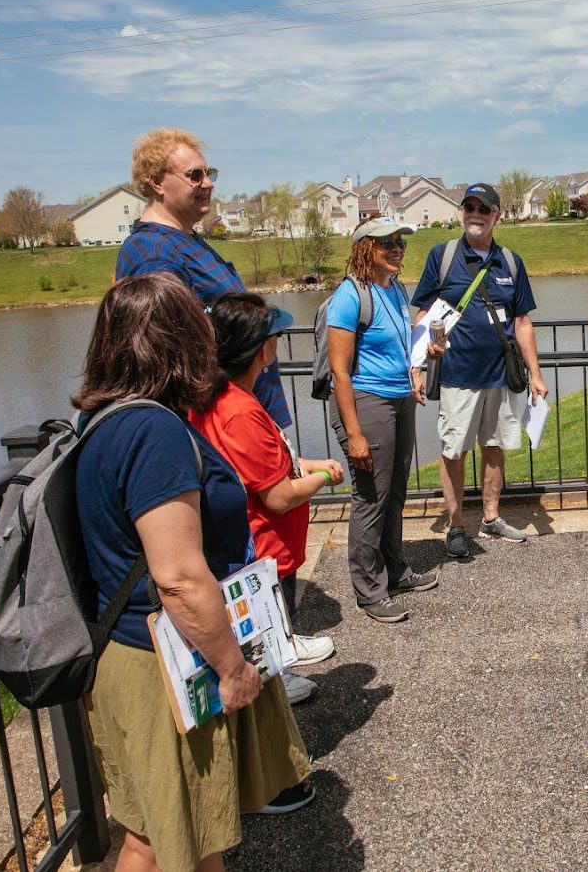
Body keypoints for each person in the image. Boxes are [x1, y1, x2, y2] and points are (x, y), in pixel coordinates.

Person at [75, 273, 312, 872]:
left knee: (179, 832)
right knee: (165, 836)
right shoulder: (155, 434)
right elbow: (179, 576)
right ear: (179, 339)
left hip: (133, 654)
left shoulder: (108, 419)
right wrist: (233, 669)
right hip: (161, 662)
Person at [190, 293, 345, 703]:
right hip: (265, 548)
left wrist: (305, 464)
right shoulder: (239, 411)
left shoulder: (219, 398)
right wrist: (323, 477)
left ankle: (284, 658)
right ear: (263, 350)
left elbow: (267, 466)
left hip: (257, 544)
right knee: (270, 616)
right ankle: (279, 680)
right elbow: (277, 497)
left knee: (273, 616)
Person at [115, 127, 291, 428]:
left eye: (209, 173)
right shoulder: (153, 254)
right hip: (222, 428)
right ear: (157, 182)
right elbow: (174, 362)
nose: (207, 183)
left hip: (243, 418)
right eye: (195, 175)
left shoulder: (184, 239)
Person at [411, 184, 548, 559]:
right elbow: (423, 314)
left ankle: (490, 517)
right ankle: (456, 525)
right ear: (462, 212)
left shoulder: (511, 262)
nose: (475, 213)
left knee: (494, 447)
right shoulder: (443, 256)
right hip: (457, 375)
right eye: (469, 207)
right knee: (454, 451)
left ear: (496, 216)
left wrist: (535, 374)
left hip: (501, 377)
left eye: (483, 209)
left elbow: (522, 321)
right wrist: (417, 364)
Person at [329, 217, 439, 623]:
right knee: (370, 499)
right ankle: (369, 590)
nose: (396, 249)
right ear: (364, 248)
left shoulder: (394, 288)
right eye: (386, 243)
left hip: (399, 399)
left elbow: (401, 344)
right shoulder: (349, 296)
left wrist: (421, 359)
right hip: (367, 401)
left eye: (400, 243)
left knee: (394, 493)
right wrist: (354, 432)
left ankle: (395, 571)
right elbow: (340, 371)